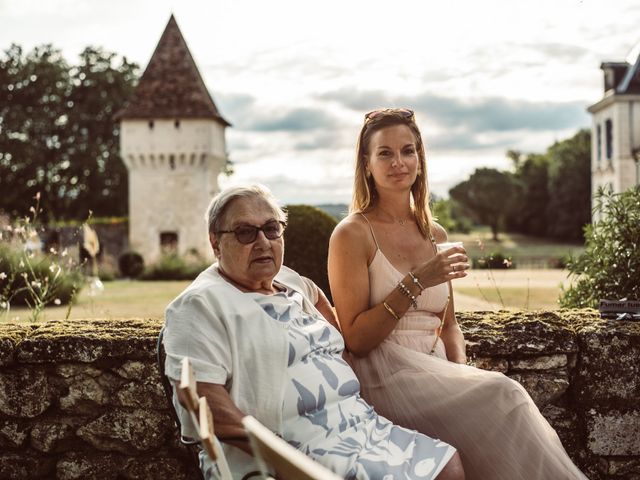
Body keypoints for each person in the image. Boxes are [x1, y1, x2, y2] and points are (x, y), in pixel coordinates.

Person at [327, 108, 588, 480]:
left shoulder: (436, 235)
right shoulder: (351, 234)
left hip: (436, 371)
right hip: (383, 375)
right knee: (505, 395)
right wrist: (417, 280)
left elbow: (449, 326)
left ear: (419, 158)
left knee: (494, 409)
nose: (398, 162)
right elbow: (356, 339)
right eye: (385, 153)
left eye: (408, 150)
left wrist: (459, 372)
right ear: (366, 164)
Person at [163, 184, 466, 480]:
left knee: (446, 463)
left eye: (271, 229)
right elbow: (206, 406)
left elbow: (322, 303)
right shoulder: (199, 305)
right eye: (245, 232)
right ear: (215, 242)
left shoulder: (289, 281)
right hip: (292, 449)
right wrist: (285, 458)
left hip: (357, 426)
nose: (263, 242)